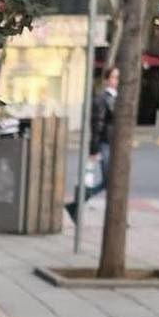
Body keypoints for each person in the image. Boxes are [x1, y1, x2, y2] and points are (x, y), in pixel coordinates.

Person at [67, 65, 119, 222]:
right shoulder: (102, 99)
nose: (116, 81)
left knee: (111, 181)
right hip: (105, 143)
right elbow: (97, 125)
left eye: (117, 78)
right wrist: (94, 149)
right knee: (110, 180)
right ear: (106, 79)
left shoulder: (118, 98)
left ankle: (77, 205)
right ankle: (77, 204)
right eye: (113, 77)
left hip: (114, 144)